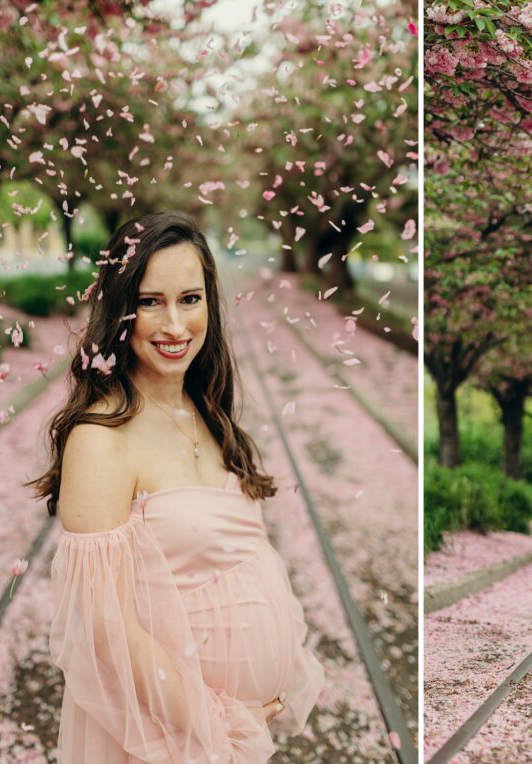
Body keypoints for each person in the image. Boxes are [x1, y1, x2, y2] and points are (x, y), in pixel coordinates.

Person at [30, 211, 324, 762]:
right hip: (169, 735)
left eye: (190, 299)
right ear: (120, 309)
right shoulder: (101, 438)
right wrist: (218, 724)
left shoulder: (205, 410)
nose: (174, 325)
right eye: (149, 302)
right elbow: (104, 629)